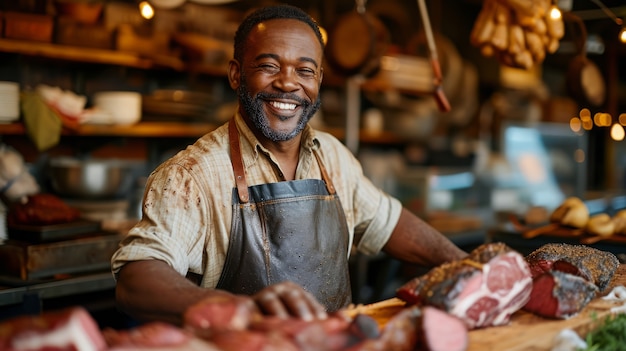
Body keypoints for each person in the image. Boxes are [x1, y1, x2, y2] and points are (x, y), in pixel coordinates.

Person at [111, 4, 467, 326]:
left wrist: (468, 266)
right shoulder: (193, 173)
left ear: (319, 81)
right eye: (268, 66)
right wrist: (231, 308)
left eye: (305, 70)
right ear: (236, 75)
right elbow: (137, 276)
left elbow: (387, 223)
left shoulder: (331, 155)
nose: (287, 83)